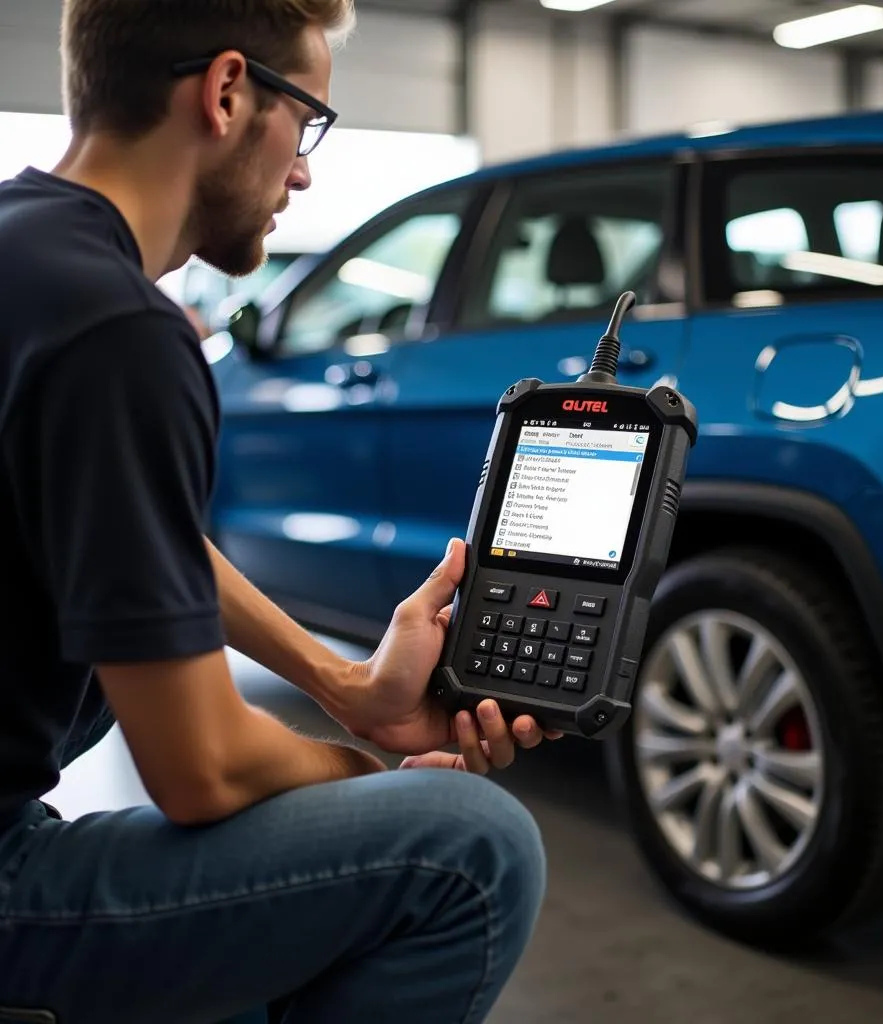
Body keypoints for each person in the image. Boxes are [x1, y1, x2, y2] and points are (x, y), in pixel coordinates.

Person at [0, 1, 556, 1021]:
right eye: (305, 123)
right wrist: (366, 774)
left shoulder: (24, 249)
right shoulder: (117, 329)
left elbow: (131, 536)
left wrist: (346, 684)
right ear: (225, 93)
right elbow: (197, 769)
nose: (301, 172)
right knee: (471, 846)